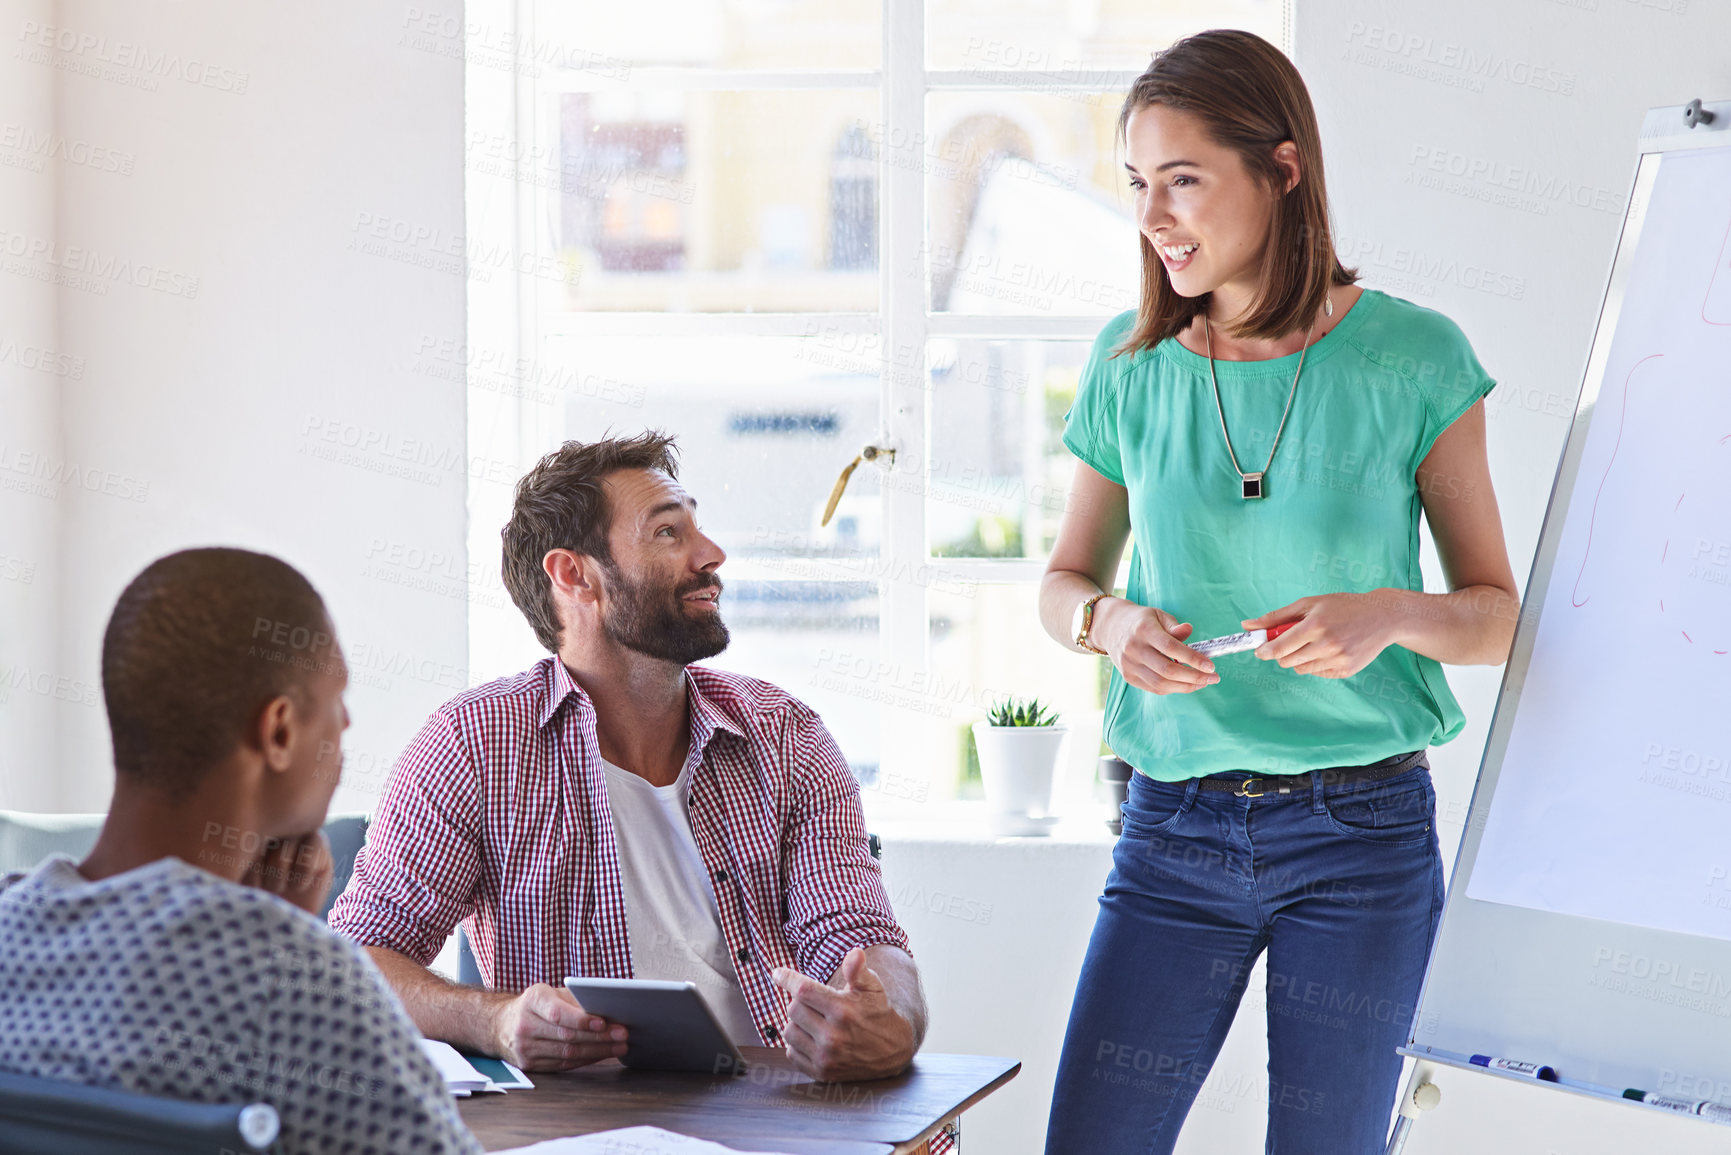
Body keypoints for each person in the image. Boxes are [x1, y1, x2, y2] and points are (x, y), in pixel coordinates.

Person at [1039, 30, 1520, 1155]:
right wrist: (1106, 624)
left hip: (1363, 837)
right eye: (1139, 185)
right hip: (1171, 830)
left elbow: (1494, 614)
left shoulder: (1414, 358)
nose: (1155, 217)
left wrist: (1390, 613)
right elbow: (1062, 581)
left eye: (1184, 180)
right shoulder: (1129, 365)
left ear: (1284, 169)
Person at [329, 432, 930, 1087]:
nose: (712, 554)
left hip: (783, 1118)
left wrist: (890, 1016)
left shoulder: (786, 734)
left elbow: (861, 934)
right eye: (668, 533)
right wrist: (493, 1021)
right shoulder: (473, 744)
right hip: (586, 1130)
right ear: (573, 575)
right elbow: (356, 960)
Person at [0, 548, 479, 1155]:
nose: (346, 726)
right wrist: (291, 949)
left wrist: (276, 935)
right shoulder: (305, 988)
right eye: (337, 701)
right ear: (279, 731)